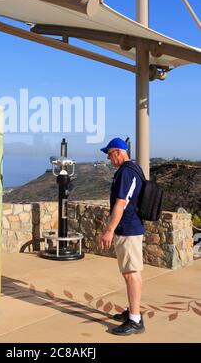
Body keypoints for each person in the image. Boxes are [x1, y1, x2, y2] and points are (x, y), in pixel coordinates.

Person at [98, 137, 145, 335]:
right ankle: (133, 312)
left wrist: (109, 230)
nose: (109, 159)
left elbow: (121, 203)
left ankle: (135, 320)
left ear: (118, 151)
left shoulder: (126, 172)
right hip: (130, 227)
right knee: (130, 272)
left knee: (131, 273)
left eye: (109, 154)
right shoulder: (134, 169)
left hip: (128, 229)